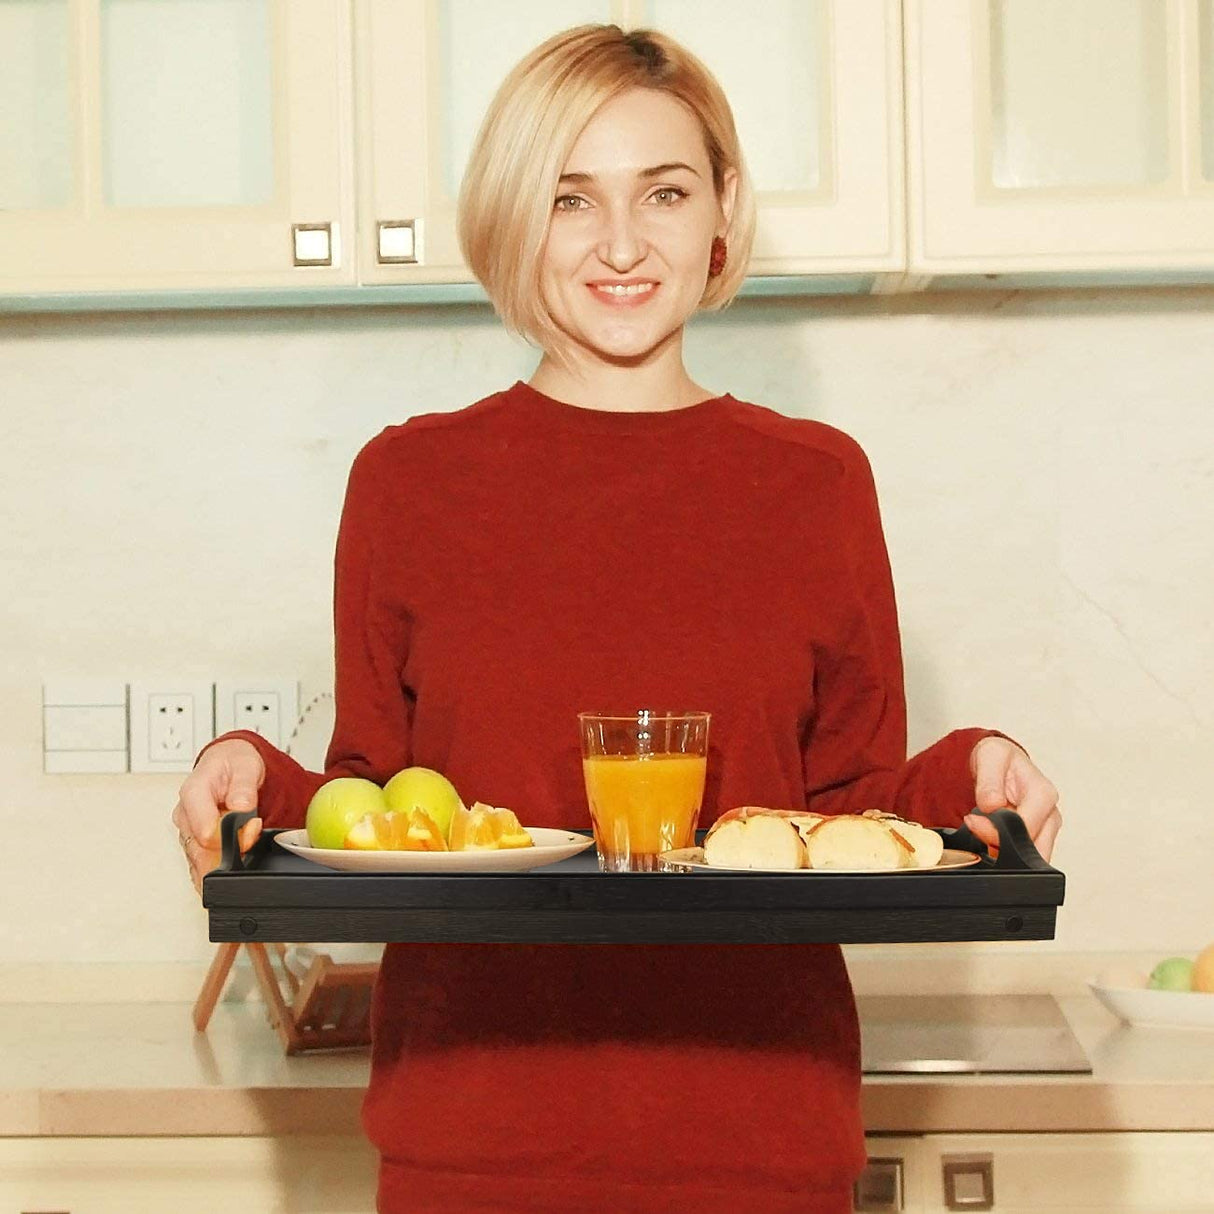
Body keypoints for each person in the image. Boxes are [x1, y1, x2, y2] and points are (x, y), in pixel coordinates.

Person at [172, 23, 1063, 1213]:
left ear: (722, 208)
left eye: (664, 191)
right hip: (472, 1143)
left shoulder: (815, 481)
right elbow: (381, 805)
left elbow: (843, 811)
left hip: (758, 1139)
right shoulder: (408, 481)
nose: (623, 243)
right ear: (514, 216)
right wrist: (247, 773)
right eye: (569, 198)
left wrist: (971, 769)